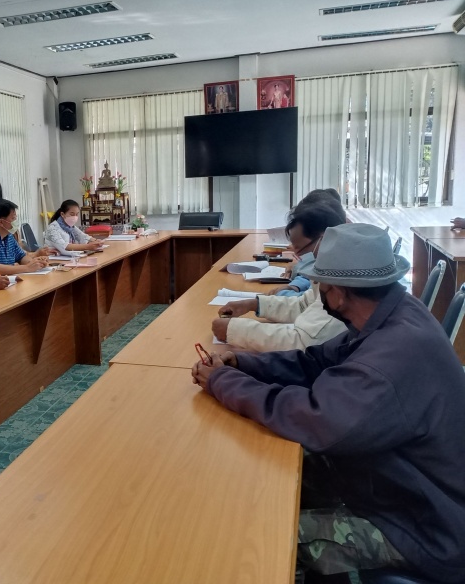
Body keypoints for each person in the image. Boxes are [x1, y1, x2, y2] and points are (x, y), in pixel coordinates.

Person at [194, 223, 465, 584]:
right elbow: (315, 361)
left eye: (321, 284)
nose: (317, 292)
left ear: (337, 293)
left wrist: (224, 382)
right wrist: (243, 364)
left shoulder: (390, 356)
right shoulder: (393, 315)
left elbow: (314, 419)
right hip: (397, 486)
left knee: (261, 534)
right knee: (269, 485)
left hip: (425, 528)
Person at [212, 201, 347, 351]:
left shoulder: (343, 283)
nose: (297, 255)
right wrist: (254, 304)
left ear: (324, 240)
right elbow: (303, 305)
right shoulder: (330, 270)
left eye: (298, 248)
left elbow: (303, 343)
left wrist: (235, 330)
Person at [0, 200, 53, 276]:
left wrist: (35, 263)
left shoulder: (8, 235)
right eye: (13, 218)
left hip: (9, 280)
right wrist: (27, 268)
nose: (16, 221)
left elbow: (21, 257)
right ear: (1, 222)